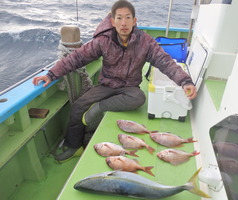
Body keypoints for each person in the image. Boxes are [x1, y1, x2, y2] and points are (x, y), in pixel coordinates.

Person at [33, 0, 197, 162]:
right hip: (106, 86)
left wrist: (185, 81)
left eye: (127, 18)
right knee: (78, 106)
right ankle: (73, 146)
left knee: (139, 98)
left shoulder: (146, 42)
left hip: (129, 88)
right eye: (119, 18)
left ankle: (98, 108)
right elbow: (77, 57)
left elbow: (165, 62)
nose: (123, 23)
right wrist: (51, 74)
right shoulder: (103, 40)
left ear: (134, 21)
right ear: (112, 21)